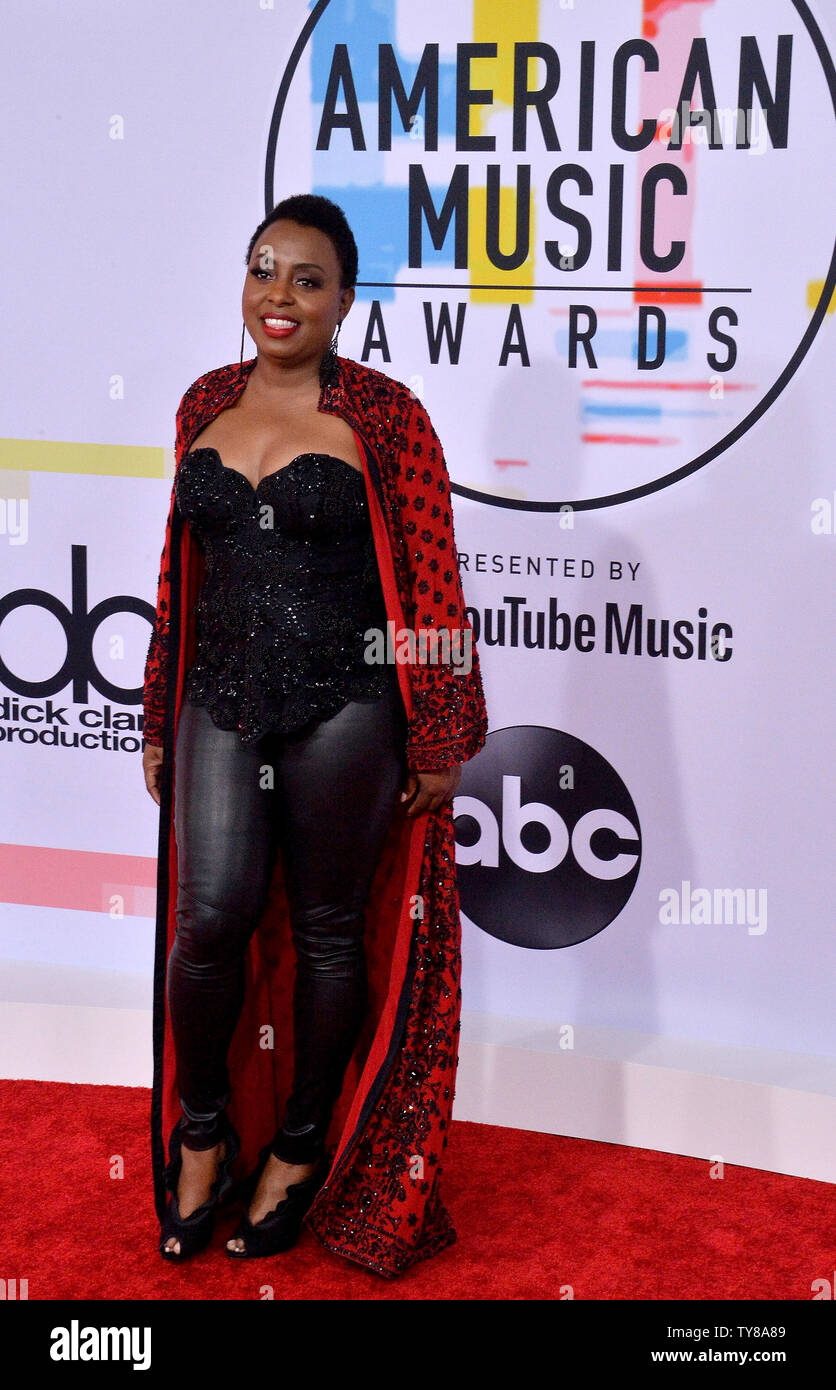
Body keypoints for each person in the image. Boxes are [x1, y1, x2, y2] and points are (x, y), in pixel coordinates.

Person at [142, 193, 488, 1278]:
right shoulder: (203, 401)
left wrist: (438, 733)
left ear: (344, 301)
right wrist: (157, 713)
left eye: (306, 279)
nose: (278, 295)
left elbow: (430, 571)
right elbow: (179, 576)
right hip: (217, 699)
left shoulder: (386, 414)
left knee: (332, 931)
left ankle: (298, 1150)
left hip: (350, 702)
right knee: (209, 921)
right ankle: (204, 1134)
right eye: (263, 270)